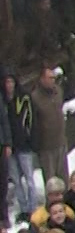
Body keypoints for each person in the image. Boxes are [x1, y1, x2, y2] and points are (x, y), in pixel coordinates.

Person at [3, 72, 36, 221]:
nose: (9, 85)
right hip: (10, 146)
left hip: (23, 144)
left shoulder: (23, 98)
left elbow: (29, 119)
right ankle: (23, 208)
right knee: (16, 180)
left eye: (11, 82)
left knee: (29, 178)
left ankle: (32, 207)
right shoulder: (3, 100)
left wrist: (28, 137)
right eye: (6, 82)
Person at [31, 67, 66, 186]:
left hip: (61, 141)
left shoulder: (58, 91)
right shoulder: (35, 98)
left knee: (63, 178)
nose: (53, 80)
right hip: (46, 145)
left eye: (53, 78)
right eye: (49, 78)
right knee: (51, 181)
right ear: (42, 79)